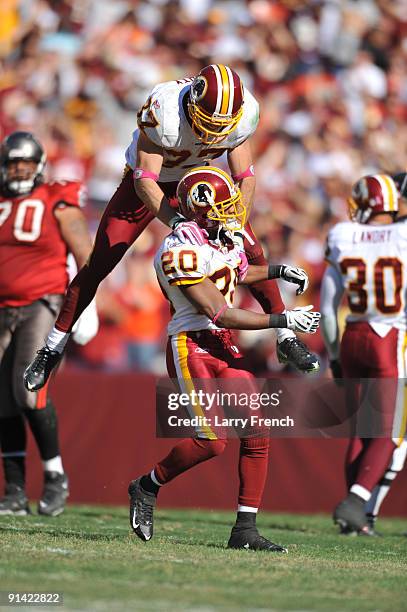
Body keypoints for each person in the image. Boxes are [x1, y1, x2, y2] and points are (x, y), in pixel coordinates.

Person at [24, 63, 319, 393]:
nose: (212, 134)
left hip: (198, 183)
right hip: (152, 184)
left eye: (221, 128)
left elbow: (245, 179)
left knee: (250, 250)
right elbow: (145, 182)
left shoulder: (245, 111)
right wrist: (178, 222)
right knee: (101, 262)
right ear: (192, 105)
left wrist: (235, 224)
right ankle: (52, 347)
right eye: (207, 124)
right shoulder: (164, 110)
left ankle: (286, 337)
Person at [128, 166, 320, 551]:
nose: (232, 211)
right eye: (224, 204)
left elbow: (239, 270)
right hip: (190, 345)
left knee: (257, 431)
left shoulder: (217, 237)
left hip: (221, 344)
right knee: (212, 441)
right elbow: (220, 310)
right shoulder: (177, 248)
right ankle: (147, 485)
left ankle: (244, 531)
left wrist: (280, 269)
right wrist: (282, 319)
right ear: (200, 208)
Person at [0, 131, 99, 516]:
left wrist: (87, 306)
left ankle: (55, 476)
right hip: (2, 307)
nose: (19, 169)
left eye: (26, 162)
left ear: (40, 166)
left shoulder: (56, 196)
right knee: (2, 400)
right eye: (13, 162)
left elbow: (84, 250)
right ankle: (14, 491)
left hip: (43, 302)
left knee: (28, 391)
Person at [320, 174, 407, 534]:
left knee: (361, 432)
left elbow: (327, 309)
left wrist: (335, 356)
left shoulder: (343, 235)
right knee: (389, 433)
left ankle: (351, 517)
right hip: (390, 337)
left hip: (353, 334)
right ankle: (357, 502)